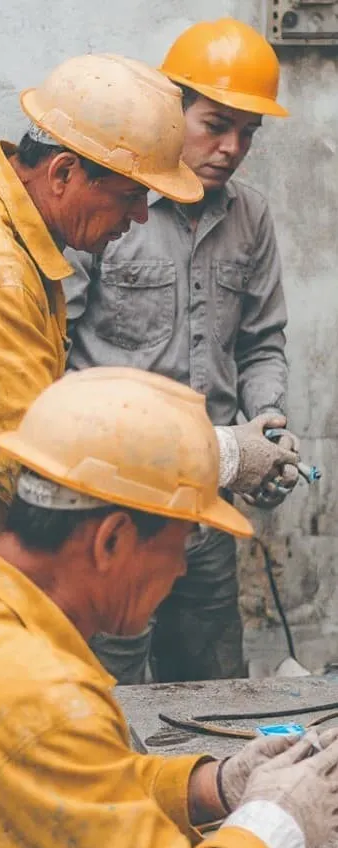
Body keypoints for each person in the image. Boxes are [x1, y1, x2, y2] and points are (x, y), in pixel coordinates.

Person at [0, 366, 335, 848]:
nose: (183, 566)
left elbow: (71, 788)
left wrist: (216, 784)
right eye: (182, 542)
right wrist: (279, 821)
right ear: (112, 538)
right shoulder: (29, 692)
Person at [0, 52, 204, 624]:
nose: (141, 218)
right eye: (130, 196)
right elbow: (32, 465)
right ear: (64, 173)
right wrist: (212, 456)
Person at [63, 18, 301, 684]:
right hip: (108, 511)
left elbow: (261, 343)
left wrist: (267, 421)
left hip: (206, 502)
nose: (231, 148)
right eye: (216, 125)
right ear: (174, 109)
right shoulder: (111, 203)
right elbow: (54, 346)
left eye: (248, 134)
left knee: (212, 683)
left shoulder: (249, 219)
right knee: (105, 694)